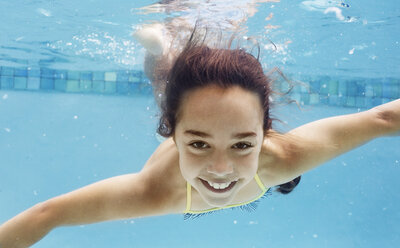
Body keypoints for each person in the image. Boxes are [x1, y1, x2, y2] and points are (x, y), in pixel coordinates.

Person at [1, 22, 399, 248]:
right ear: (170, 134)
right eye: (198, 143)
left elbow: (384, 119)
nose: (221, 168)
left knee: (170, 85)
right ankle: (160, 49)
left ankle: (162, 49)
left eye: (243, 144)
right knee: (163, 81)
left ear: (265, 134)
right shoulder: (157, 190)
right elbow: (46, 216)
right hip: (177, 110)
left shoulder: (285, 157)